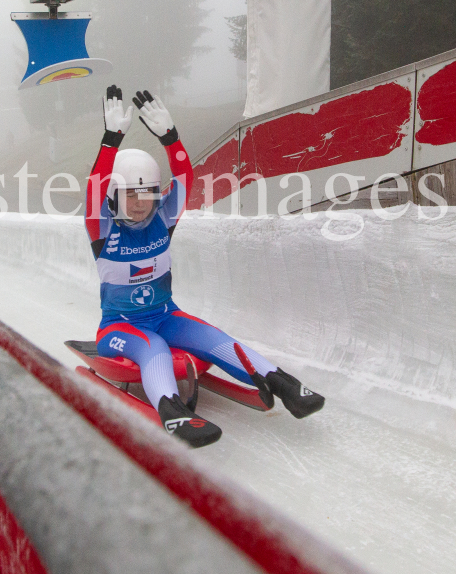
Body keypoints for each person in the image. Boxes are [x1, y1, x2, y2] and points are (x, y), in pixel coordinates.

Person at [85, 85, 324, 447]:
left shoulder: (163, 218)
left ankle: (283, 383)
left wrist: (170, 137)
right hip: (118, 327)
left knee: (213, 338)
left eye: (148, 192)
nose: (140, 203)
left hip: (166, 315)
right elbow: (93, 187)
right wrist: (111, 139)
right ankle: (172, 410)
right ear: (114, 196)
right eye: (130, 194)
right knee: (153, 348)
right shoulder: (101, 227)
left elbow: (184, 178)